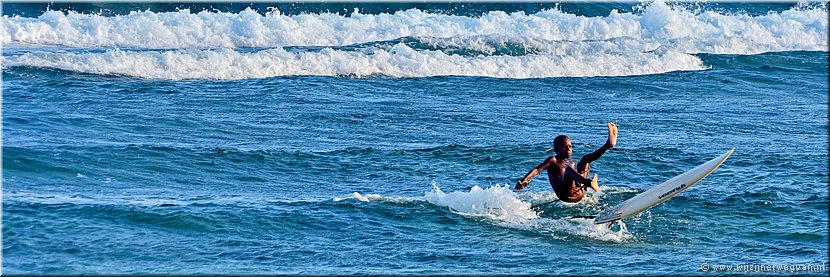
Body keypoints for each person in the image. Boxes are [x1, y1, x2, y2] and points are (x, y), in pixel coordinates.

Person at [514, 122, 618, 203]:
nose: (568, 148)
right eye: (564, 146)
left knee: (585, 159)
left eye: (570, 146)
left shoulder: (571, 163)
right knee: (568, 171)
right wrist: (524, 180)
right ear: (556, 149)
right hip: (568, 195)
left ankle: (608, 145)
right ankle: (589, 183)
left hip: (580, 191)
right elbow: (537, 170)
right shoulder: (553, 160)